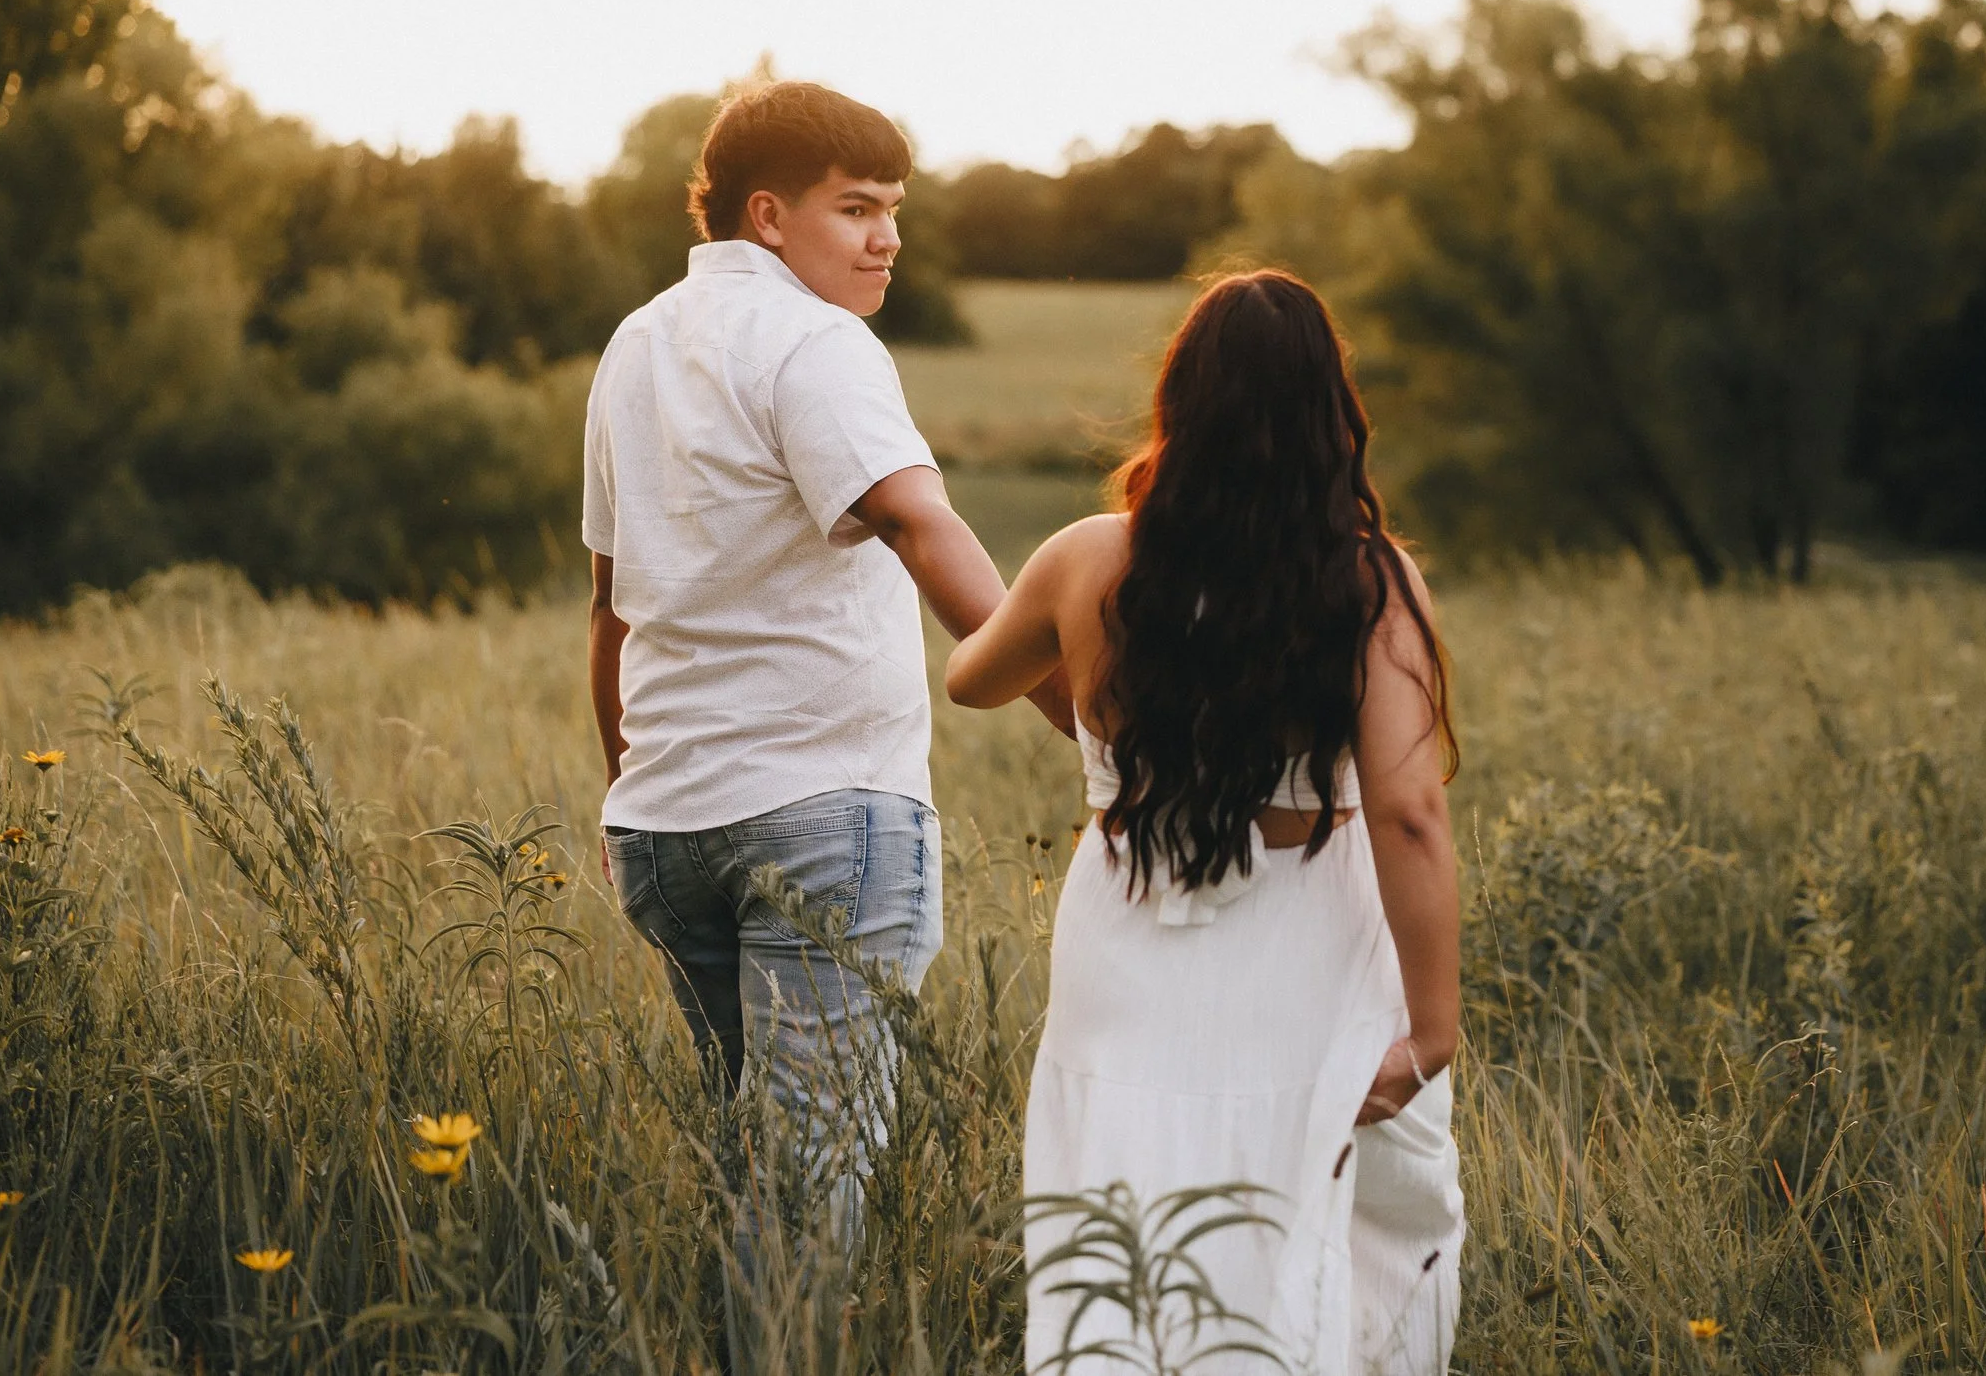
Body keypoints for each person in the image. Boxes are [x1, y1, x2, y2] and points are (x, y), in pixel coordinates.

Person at [581, 81, 1071, 1265]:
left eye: (894, 209)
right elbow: (922, 525)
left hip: (665, 829)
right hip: (820, 819)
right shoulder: (817, 340)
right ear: (766, 214)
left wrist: (628, 788)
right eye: (856, 209)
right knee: (809, 1204)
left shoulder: (635, 343)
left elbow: (609, 606)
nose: (887, 237)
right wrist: (1092, 718)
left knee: (748, 1172)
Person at [946, 268, 1464, 1375]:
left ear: (1179, 403)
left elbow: (970, 676)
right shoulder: (1370, 584)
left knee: (1127, 1178)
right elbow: (1412, 814)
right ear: (1333, 416)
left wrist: (1095, 729)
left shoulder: (1086, 558)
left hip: (1130, 918)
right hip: (1313, 930)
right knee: (1356, 1211)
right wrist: (1433, 1026)